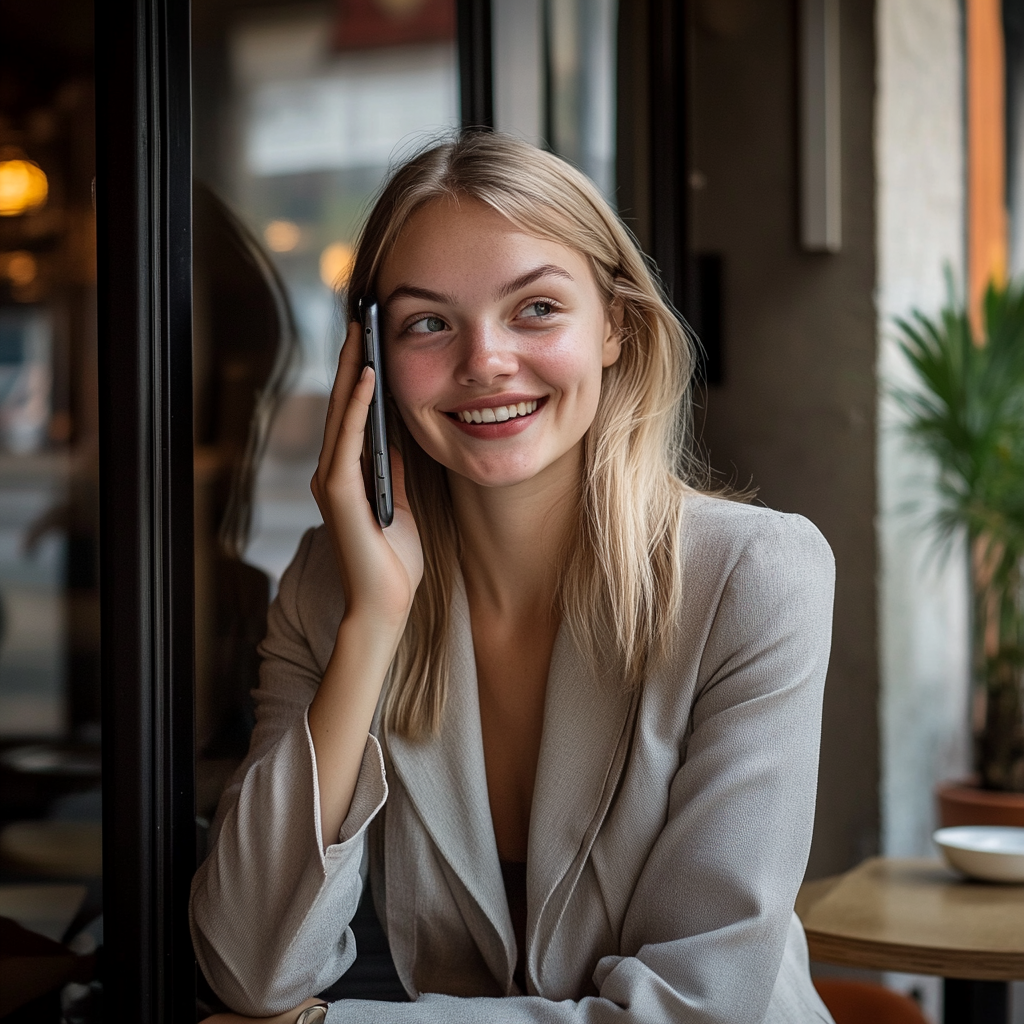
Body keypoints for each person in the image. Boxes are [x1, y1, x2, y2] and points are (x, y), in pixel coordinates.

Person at [190, 131, 836, 1024]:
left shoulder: (756, 578)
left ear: (615, 326)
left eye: (535, 309)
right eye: (427, 322)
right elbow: (251, 968)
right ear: (368, 366)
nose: (485, 360)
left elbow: (695, 1008)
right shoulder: (331, 589)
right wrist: (375, 622)